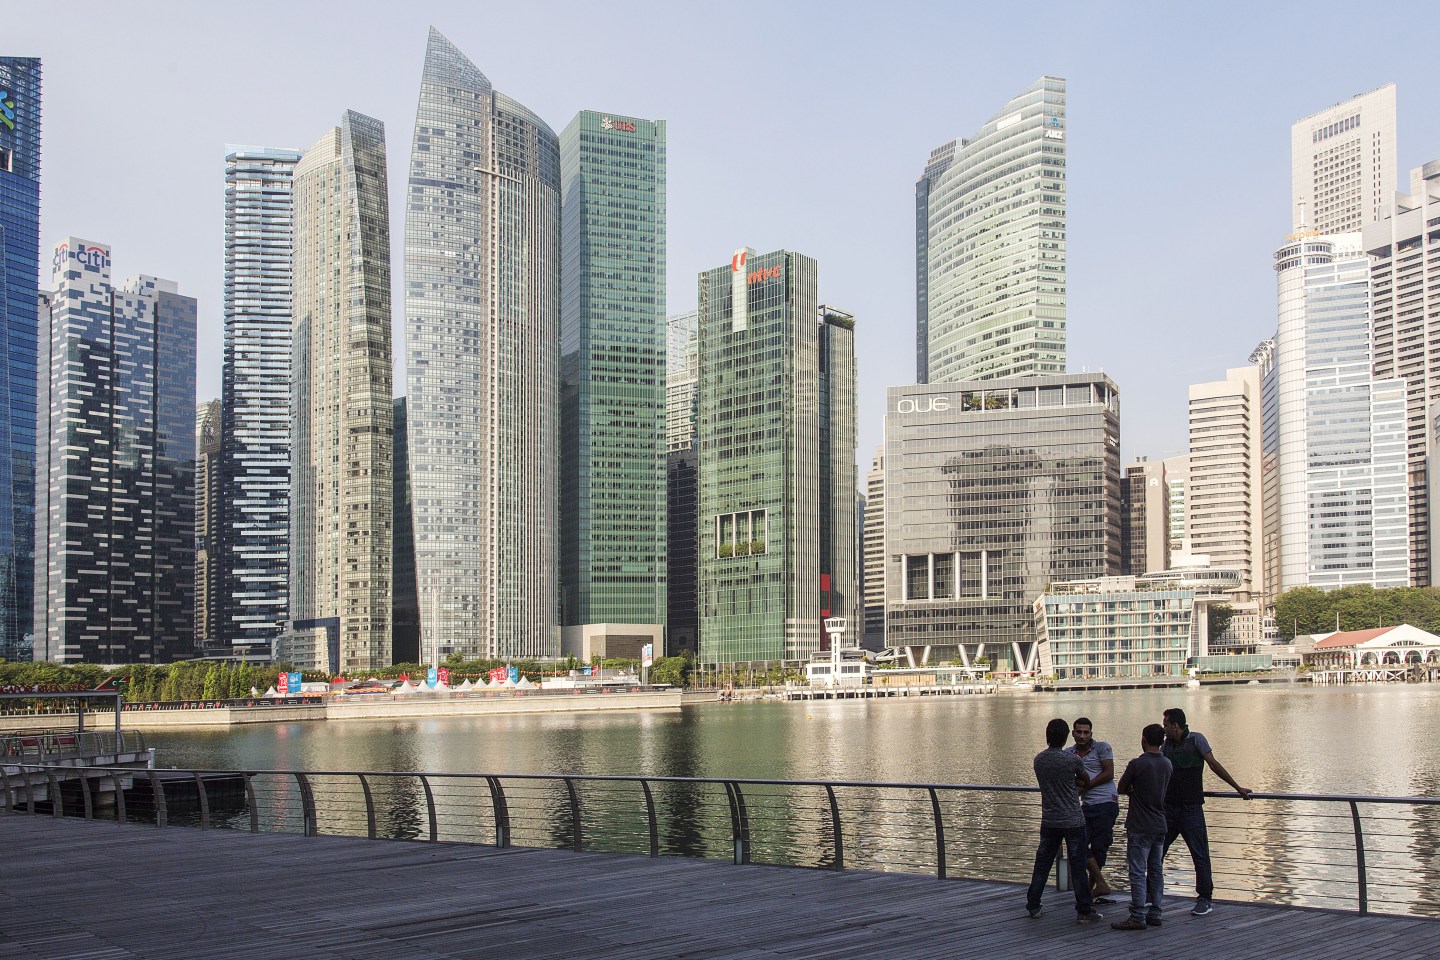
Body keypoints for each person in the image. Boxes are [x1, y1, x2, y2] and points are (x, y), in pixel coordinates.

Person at [1161, 707, 1252, 916]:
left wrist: (1237, 788)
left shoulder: (1196, 740)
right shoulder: (1165, 746)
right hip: (1169, 808)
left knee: (1199, 854)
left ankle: (1204, 898)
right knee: (1157, 852)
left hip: (1191, 808)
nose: (1164, 729)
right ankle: (1152, 894)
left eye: (1166, 725)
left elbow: (1213, 764)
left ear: (1175, 726)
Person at [1025, 718, 1104, 924]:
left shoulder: (1039, 760)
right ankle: (1084, 910)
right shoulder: (1073, 760)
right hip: (1073, 819)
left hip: (1050, 819)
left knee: (1042, 863)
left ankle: (1033, 904)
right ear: (1066, 736)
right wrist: (1075, 782)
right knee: (1078, 866)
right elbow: (1086, 780)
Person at [1111, 723, 1173, 931]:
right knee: (1156, 870)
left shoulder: (1137, 764)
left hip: (1140, 824)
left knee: (1138, 871)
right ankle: (1155, 911)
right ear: (1162, 741)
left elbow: (1121, 787)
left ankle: (1137, 915)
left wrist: (1132, 790)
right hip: (1160, 824)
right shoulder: (1167, 764)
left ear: (1144, 739)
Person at [1065, 717, 1118, 899]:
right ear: (1073, 733)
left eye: (1086, 732)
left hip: (1106, 802)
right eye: (1078, 732)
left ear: (1091, 734)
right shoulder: (1069, 753)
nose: (1082, 736)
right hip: (1086, 805)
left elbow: (1109, 772)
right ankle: (1100, 885)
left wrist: (1087, 785)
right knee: (1079, 843)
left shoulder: (1102, 747)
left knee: (1099, 847)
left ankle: (1091, 889)